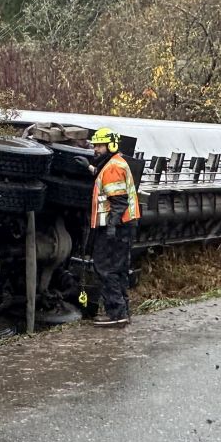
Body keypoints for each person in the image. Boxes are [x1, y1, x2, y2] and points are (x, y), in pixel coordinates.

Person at [88, 127, 141, 328]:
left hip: (116, 227)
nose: (95, 149)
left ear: (110, 145)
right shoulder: (115, 163)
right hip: (125, 226)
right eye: (95, 145)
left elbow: (118, 201)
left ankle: (115, 313)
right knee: (119, 269)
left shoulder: (112, 167)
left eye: (100, 145)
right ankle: (123, 311)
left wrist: (111, 227)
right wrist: (90, 169)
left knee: (105, 268)